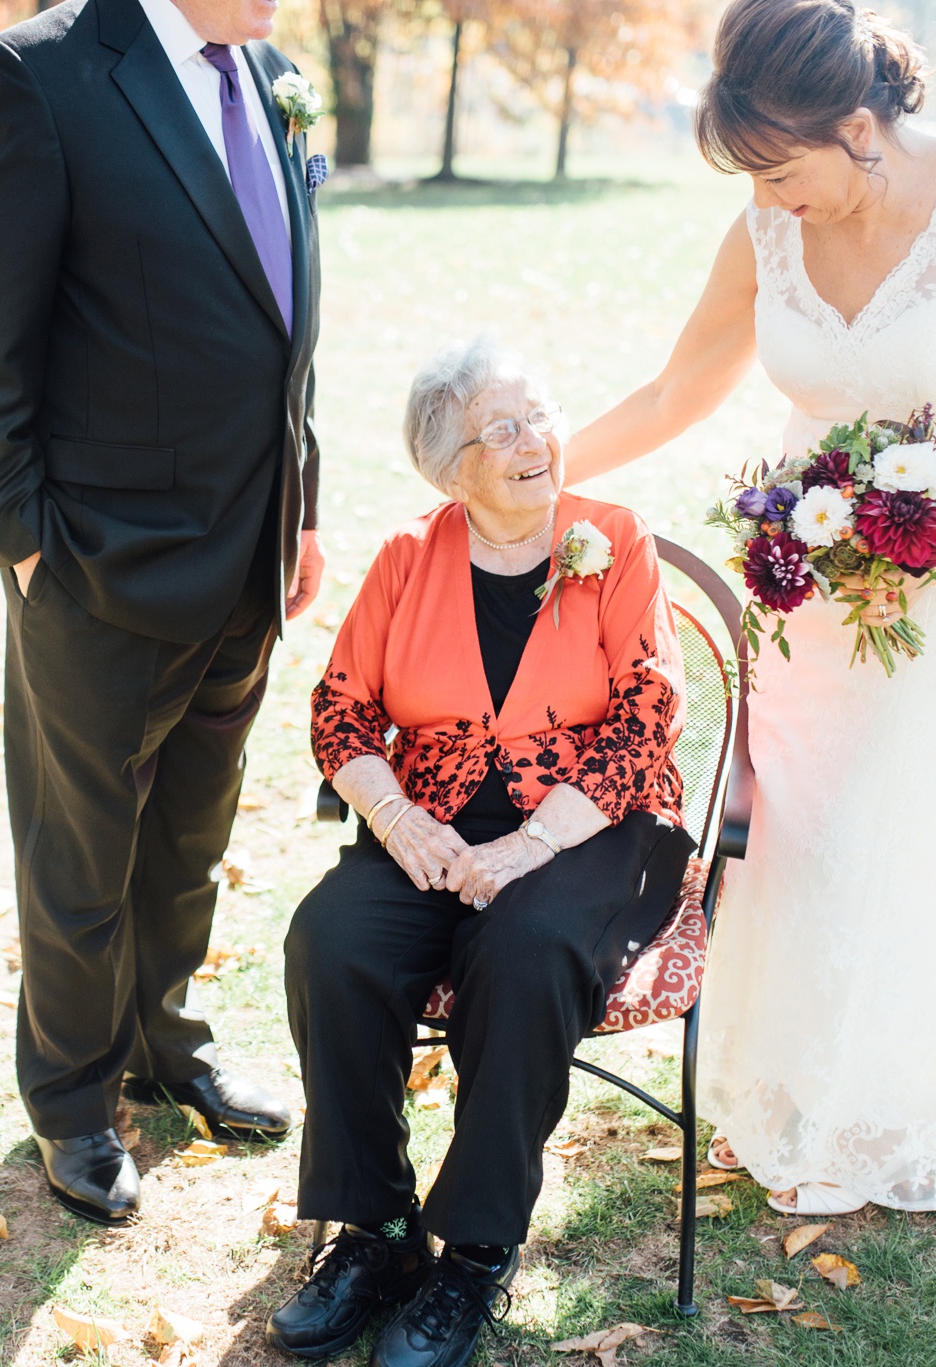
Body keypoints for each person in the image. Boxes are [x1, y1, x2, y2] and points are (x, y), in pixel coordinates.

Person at [564, 0, 936, 1216]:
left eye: (780, 165)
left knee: (908, 809)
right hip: (807, 583)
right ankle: (787, 1076)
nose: (767, 195)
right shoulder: (764, 221)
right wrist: (538, 469)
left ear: (858, 126)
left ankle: (899, 1098)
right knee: (804, 817)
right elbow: (673, 391)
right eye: (748, 172)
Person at [0, 0, 328, 1226]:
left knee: (190, 831)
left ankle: (165, 1043)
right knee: (79, 852)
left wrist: (301, 503)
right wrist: (23, 542)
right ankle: (71, 1098)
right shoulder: (34, 77)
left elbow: (278, 324)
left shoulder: (268, 75)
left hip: (248, 549)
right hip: (95, 564)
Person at [271, 339, 692, 1367]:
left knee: (526, 949)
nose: (531, 439)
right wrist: (399, 822)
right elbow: (340, 712)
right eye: (497, 428)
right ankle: (370, 1231)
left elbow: (648, 715)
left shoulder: (614, 539)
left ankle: (473, 1250)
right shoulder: (409, 554)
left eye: (537, 414)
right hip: (432, 826)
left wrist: (528, 842)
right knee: (330, 938)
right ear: (447, 466)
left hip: (582, 831)